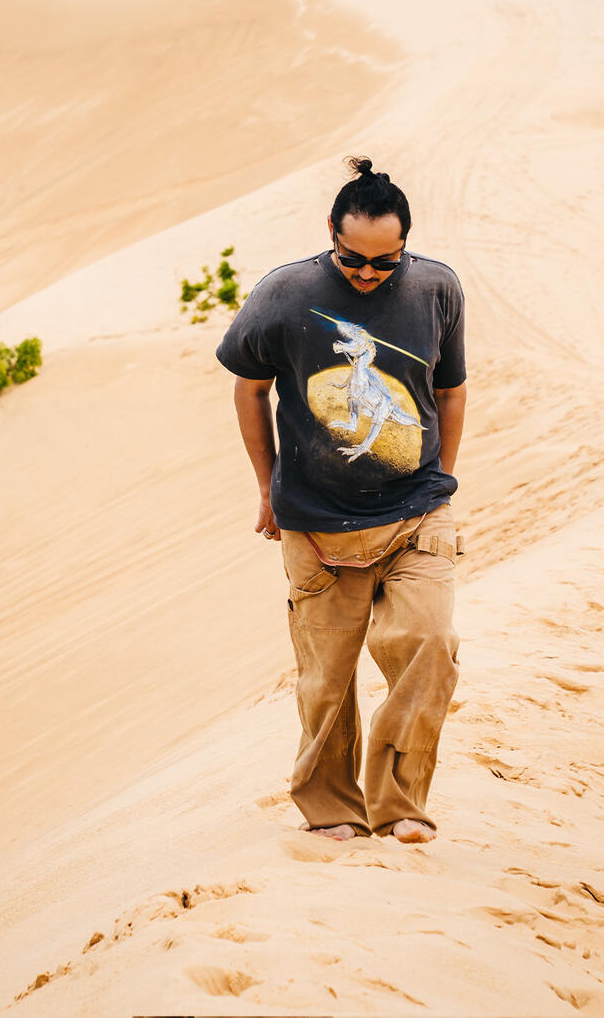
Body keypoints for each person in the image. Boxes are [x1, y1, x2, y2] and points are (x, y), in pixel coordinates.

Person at [215, 156, 467, 844]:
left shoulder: (436, 289)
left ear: (405, 244)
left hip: (416, 512)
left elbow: (449, 389)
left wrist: (440, 478)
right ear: (332, 231)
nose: (366, 275)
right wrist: (266, 487)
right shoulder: (286, 293)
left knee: (432, 645)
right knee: (326, 681)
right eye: (353, 260)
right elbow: (248, 385)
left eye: (384, 264)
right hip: (317, 520)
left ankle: (401, 804)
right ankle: (331, 808)